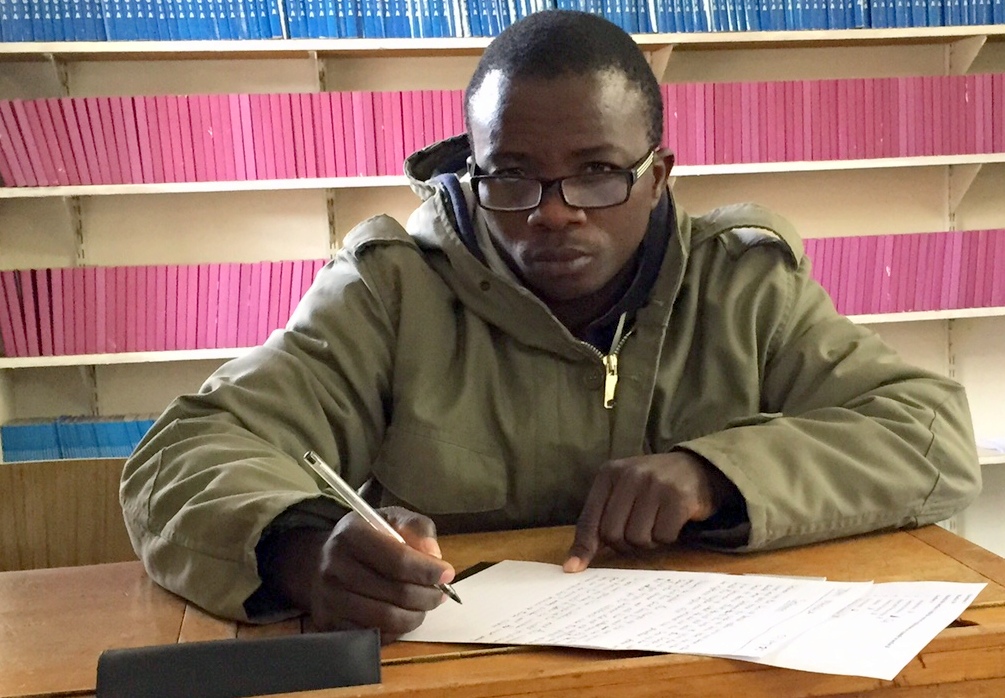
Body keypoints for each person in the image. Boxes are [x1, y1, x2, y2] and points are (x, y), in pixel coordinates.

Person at [120, 10, 981, 642]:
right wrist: (303, 552)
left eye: (598, 172)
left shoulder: (739, 283)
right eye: (511, 176)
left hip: (699, 665)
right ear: (473, 172)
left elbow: (929, 433)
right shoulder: (390, 292)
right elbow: (183, 455)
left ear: (658, 176)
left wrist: (716, 475)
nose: (553, 213)